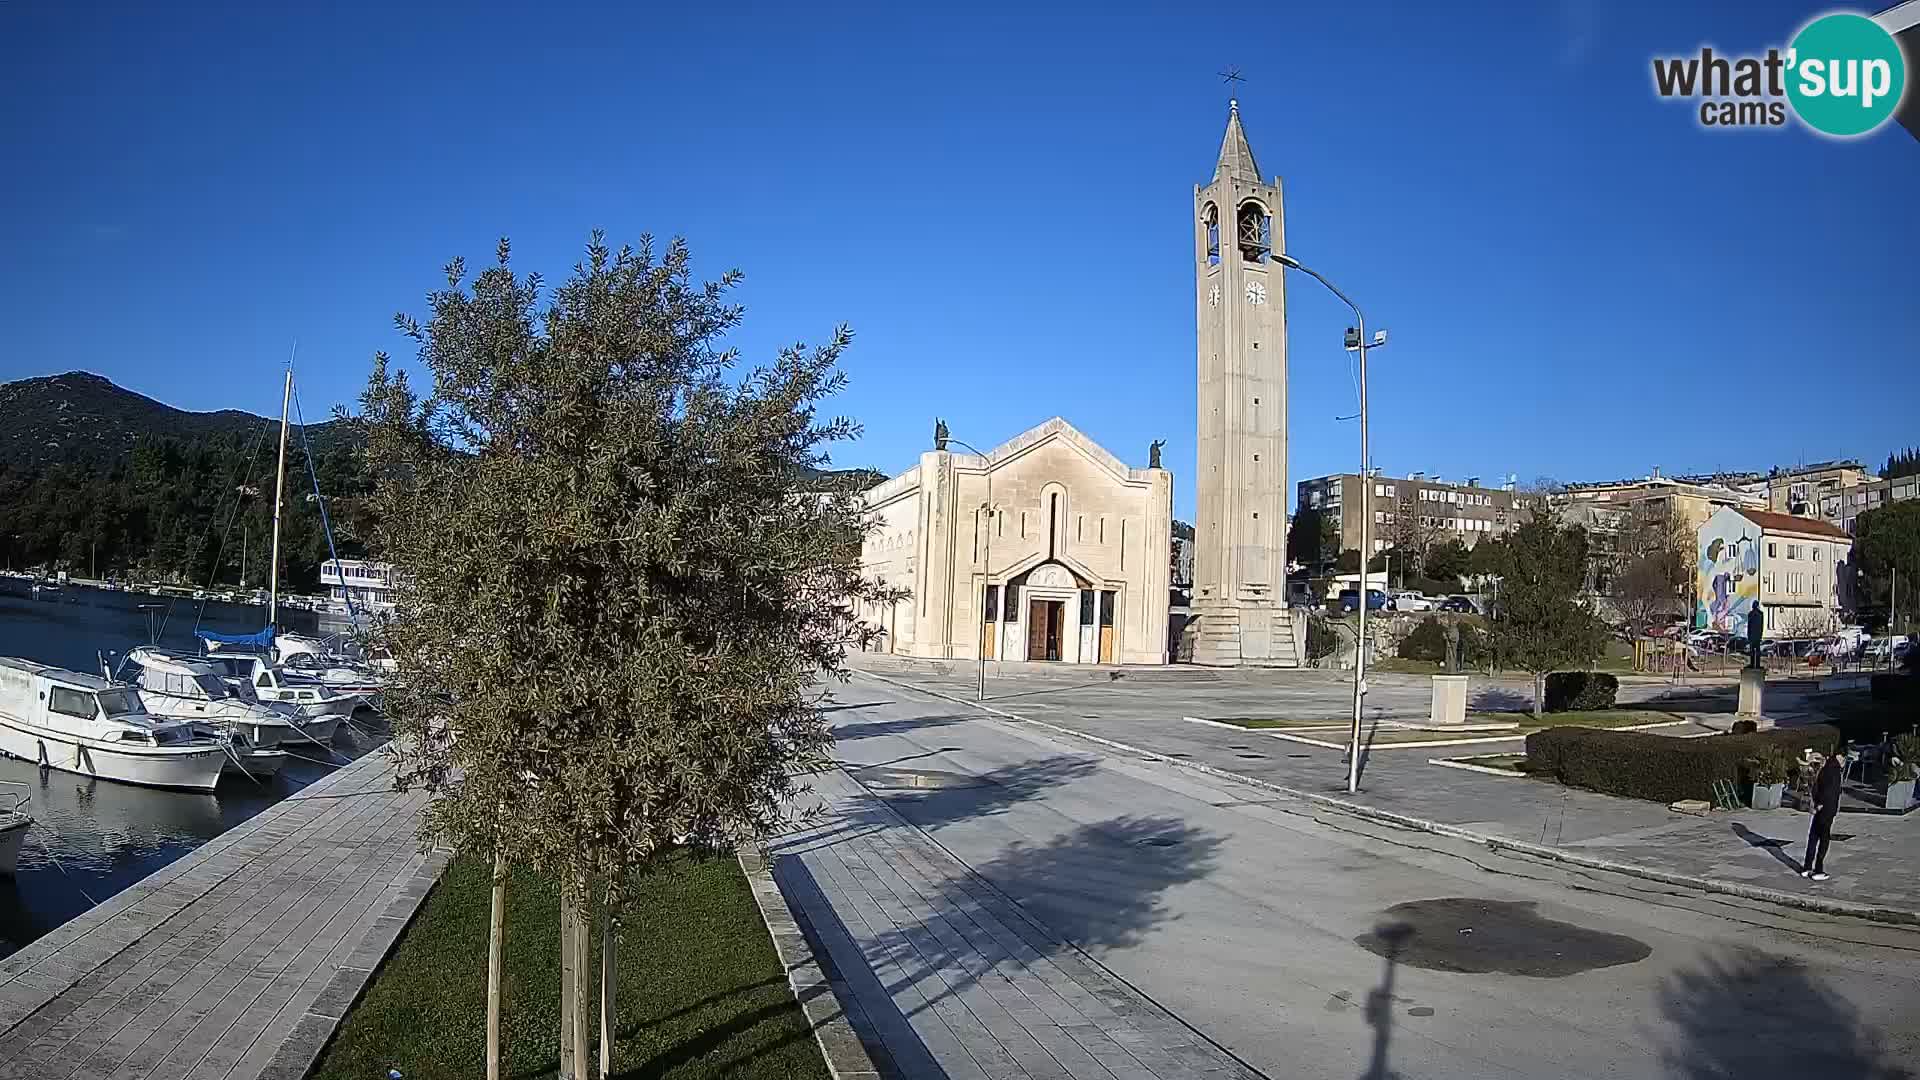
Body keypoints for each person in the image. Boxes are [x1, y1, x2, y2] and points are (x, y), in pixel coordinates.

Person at [1801, 750, 1845, 881]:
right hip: (1827, 809)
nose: (1844, 763)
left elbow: (1816, 787)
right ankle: (1818, 870)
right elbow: (1830, 792)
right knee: (1824, 839)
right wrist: (1822, 804)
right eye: (1843, 760)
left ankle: (1807, 867)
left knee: (1813, 836)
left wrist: (1817, 802)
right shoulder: (1834, 771)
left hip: (1820, 807)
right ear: (1840, 757)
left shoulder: (1825, 769)